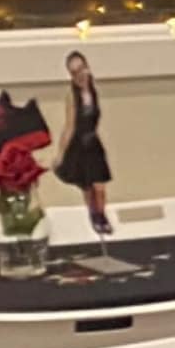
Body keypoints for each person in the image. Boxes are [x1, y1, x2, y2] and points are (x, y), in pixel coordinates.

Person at [52, 51, 113, 239]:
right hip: (79, 144)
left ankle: (101, 215)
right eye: (74, 72)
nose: (79, 75)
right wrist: (61, 153)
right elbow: (70, 126)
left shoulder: (92, 90)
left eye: (81, 69)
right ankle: (93, 215)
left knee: (100, 184)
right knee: (87, 185)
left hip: (92, 141)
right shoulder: (72, 96)